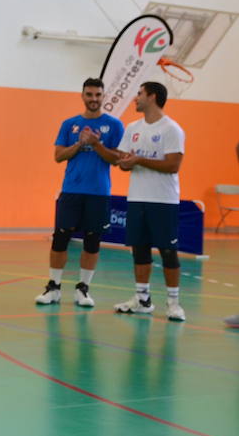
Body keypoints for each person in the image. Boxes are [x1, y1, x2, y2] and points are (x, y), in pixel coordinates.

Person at [34, 78, 124, 308]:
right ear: (82, 96)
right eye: (89, 94)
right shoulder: (69, 124)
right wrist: (79, 143)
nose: (93, 99)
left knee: (92, 241)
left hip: (99, 191)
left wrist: (96, 144)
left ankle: (83, 289)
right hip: (71, 190)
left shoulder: (114, 125)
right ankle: (53, 287)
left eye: (97, 95)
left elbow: (117, 159)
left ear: (103, 97)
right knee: (60, 239)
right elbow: (58, 156)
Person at [113, 81, 187, 321]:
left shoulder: (171, 129)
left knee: (168, 251)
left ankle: (174, 303)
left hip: (163, 201)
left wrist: (138, 161)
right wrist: (125, 162)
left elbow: (173, 165)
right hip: (137, 198)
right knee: (140, 250)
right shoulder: (132, 127)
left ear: (152, 97)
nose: (136, 98)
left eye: (140, 94)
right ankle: (142, 300)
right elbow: (125, 161)